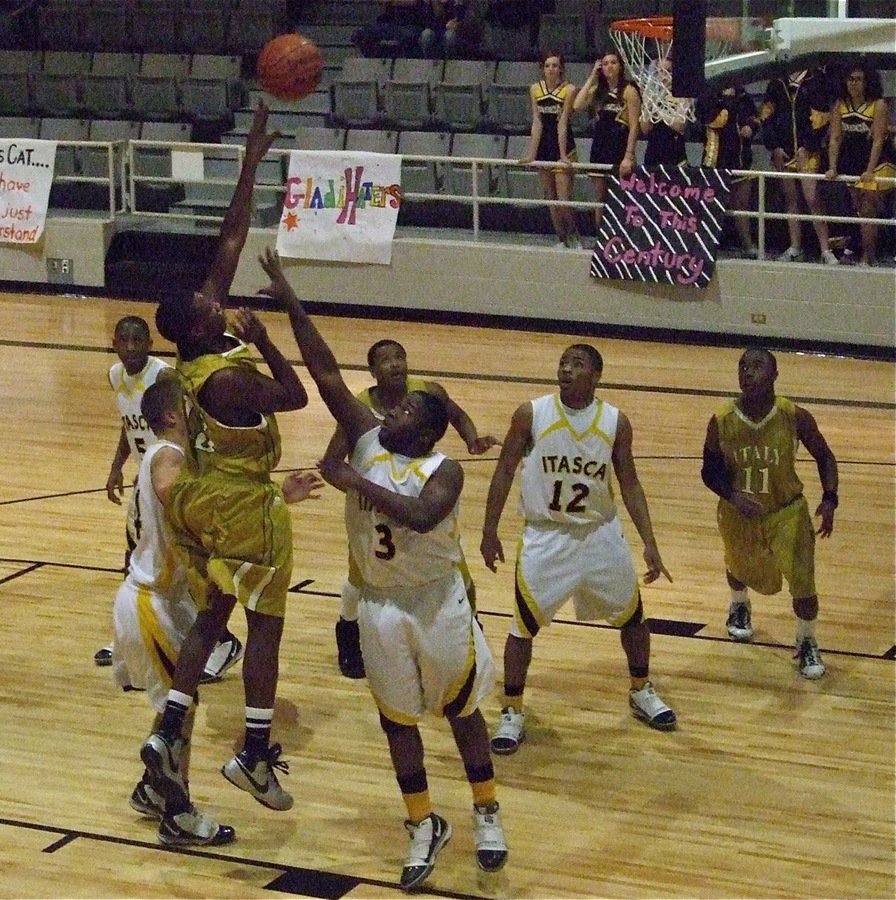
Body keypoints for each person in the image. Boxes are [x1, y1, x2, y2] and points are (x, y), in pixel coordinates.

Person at [259, 247, 507, 890]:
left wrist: (351, 482)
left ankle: (486, 810)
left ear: (427, 432)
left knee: (461, 712)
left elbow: (423, 517)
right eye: (391, 409)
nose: (388, 411)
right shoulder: (368, 439)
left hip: (435, 600)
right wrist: (286, 297)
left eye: (402, 413)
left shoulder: (442, 471)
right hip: (377, 604)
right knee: (396, 720)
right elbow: (323, 373)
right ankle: (423, 822)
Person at [139, 104, 311, 817]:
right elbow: (296, 397)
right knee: (264, 626)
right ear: (200, 324)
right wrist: (267, 336)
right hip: (243, 505)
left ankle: (171, 724)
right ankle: (252, 753)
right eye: (210, 304)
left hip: (208, 499)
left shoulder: (192, 354)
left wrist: (248, 166)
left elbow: (231, 238)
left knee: (213, 617)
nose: (219, 300)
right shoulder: (227, 376)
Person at [114, 378, 320, 847]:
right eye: (188, 404)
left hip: (154, 598)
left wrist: (274, 498)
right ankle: (178, 814)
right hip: (153, 602)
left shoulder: (173, 454)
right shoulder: (169, 455)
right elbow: (177, 497)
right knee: (177, 722)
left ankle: (152, 791)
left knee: (176, 713)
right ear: (172, 415)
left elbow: (218, 510)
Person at [480, 344, 676, 756]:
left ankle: (641, 689)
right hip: (546, 536)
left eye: (577, 364)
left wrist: (651, 544)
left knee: (633, 618)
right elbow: (504, 471)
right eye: (563, 362)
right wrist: (489, 529)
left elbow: (631, 483)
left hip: (600, 534)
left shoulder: (615, 421)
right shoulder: (531, 414)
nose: (566, 369)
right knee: (522, 627)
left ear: (596, 375)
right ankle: (512, 709)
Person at [323, 339, 498, 680]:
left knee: (461, 576)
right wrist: (352, 484)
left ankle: (467, 628)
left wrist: (472, 439)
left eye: (399, 356)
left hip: (413, 490)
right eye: (385, 360)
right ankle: (347, 633)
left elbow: (456, 415)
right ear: (372, 372)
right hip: (375, 510)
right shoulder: (360, 409)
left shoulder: (427, 391)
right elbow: (333, 461)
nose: (395, 364)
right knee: (358, 580)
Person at [97, 315, 243, 683]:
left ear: (150, 342)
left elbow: (191, 421)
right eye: (124, 340)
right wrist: (117, 466)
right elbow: (127, 423)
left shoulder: (164, 377)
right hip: (147, 473)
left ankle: (220, 641)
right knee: (134, 557)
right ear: (114, 341)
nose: (131, 347)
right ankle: (130, 636)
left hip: (173, 471)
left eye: (138, 340)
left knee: (180, 564)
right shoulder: (116, 376)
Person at [700, 348, 838, 679]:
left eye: (757, 366)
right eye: (743, 366)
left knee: (803, 581)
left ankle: (806, 641)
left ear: (775, 375)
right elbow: (708, 471)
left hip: (786, 510)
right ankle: (739, 605)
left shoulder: (794, 415)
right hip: (738, 512)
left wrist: (831, 498)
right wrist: (733, 496)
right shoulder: (721, 419)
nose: (747, 372)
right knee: (737, 566)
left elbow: (825, 456)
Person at [759, 67, 836, 264]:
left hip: (808, 152)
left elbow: (823, 117)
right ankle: (795, 247)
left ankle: (825, 250)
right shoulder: (777, 81)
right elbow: (766, 116)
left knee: (813, 198)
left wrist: (807, 146)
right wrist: (774, 146)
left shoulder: (817, 79)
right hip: (783, 151)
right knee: (790, 198)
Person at [826, 61, 896, 267]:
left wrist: (869, 170)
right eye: (850, 79)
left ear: (867, 81)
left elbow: (878, 139)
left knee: (867, 207)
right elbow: (835, 138)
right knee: (859, 208)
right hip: (853, 160)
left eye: (858, 79)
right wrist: (832, 166)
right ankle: (858, 248)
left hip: (880, 160)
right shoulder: (840, 105)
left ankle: (868, 257)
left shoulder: (878, 104)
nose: (853, 84)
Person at [569, 51, 642, 231]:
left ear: (620, 66)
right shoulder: (598, 91)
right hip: (600, 148)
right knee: (600, 198)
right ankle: (601, 238)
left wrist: (629, 155)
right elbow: (577, 105)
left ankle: (623, 237)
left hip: (620, 149)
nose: (609, 66)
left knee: (623, 197)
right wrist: (592, 76)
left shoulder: (629, 90)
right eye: (606, 63)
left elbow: (634, 126)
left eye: (613, 63)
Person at [520, 50, 579, 249]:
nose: (551, 69)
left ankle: (574, 236)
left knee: (563, 199)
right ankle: (561, 238)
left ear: (561, 68)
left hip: (564, 144)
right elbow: (537, 122)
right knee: (550, 197)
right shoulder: (535, 89)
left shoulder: (569, 89)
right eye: (547, 66)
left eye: (555, 65)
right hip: (544, 146)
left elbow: (563, 122)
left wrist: (562, 155)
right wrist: (531, 153)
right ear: (542, 69)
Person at [697, 82, 761, 256]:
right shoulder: (708, 95)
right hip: (715, 159)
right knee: (711, 206)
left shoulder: (743, 95)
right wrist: (727, 99)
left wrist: (751, 127)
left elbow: (755, 117)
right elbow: (714, 120)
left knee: (741, 205)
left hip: (741, 157)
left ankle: (748, 245)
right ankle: (706, 247)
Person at [639, 57, 690, 168]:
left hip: (675, 153)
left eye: (668, 71)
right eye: (660, 71)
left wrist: (657, 109)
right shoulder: (651, 94)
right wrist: (648, 105)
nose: (664, 75)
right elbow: (645, 128)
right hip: (653, 152)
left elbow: (679, 125)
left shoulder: (683, 96)